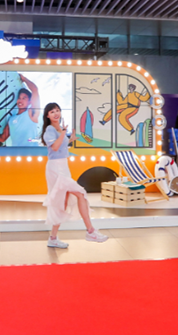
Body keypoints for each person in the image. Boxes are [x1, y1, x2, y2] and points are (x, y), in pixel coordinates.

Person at [41, 102, 108, 249]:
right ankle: (90, 231)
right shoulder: (50, 130)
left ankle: (53, 238)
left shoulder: (59, 129)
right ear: (47, 115)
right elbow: (55, 147)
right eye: (52, 112)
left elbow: (61, 146)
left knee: (62, 203)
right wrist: (64, 133)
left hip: (63, 167)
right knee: (81, 194)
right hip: (55, 169)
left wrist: (70, 139)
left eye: (57, 110)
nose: (56, 113)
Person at [0, 74, 41, 146]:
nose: (20, 100)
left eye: (24, 98)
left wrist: (24, 79)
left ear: (29, 102)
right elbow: (2, 138)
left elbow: (35, 90)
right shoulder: (11, 119)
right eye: (19, 98)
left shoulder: (31, 113)